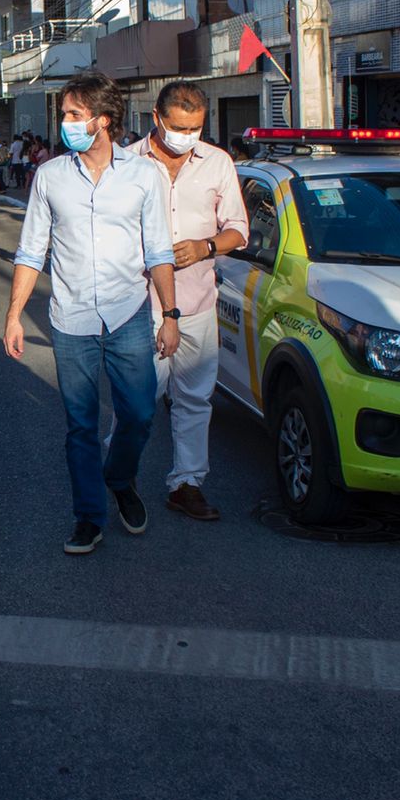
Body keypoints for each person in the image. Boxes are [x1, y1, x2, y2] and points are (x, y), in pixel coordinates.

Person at [3, 70, 179, 555]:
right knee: (80, 425)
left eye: (74, 115)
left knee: (140, 414)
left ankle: (119, 479)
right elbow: (30, 250)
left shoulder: (145, 174)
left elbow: (159, 250)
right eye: (64, 115)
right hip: (71, 319)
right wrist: (14, 314)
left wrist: (171, 314)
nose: (65, 123)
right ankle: (88, 517)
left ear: (103, 120)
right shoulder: (50, 177)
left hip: (129, 316)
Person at [127, 83, 249, 522]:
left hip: (197, 301)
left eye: (195, 128)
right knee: (138, 401)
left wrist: (207, 247)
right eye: (179, 127)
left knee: (195, 399)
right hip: (139, 306)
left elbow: (238, 227)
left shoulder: (218, 163)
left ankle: (187, 483)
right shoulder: (127, 162)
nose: (187, 135)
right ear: (156, 118)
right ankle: (121, 477)